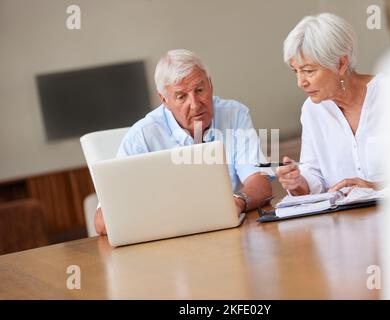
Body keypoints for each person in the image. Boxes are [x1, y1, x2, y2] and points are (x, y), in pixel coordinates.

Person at [95, 49, 272, 235]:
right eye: (181, 96)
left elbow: (260, 183)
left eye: (200, 90)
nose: (195, 104)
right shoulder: (142, 137)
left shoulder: (235, 115)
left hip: (231, 233)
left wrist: (237, 201)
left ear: (210, 85)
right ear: (165, 100)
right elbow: (102, 221)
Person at [276, 13, 386, 195]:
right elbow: (313, 175)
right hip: (345, 221)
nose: (300, 82)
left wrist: (376, 188)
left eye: (308, 71)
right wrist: (297, 182)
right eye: (295, 71)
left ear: (341, 64)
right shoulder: (312, 110)